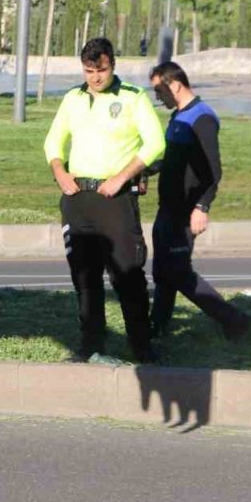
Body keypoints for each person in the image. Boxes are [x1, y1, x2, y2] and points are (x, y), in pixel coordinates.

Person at [45, 37, 165, 364]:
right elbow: (54, 141)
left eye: (101, 70)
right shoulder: (73, 98)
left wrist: (121, 178)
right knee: (84, 276)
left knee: (127, 276)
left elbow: (155, 144)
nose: (95, 77)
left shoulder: (132, 98)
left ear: (113, 64)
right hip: (78, 198)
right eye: (88, 71)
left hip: (115, 200)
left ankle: (142, 347)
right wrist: (60, 171)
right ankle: (91, 346)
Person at [148, 61, 251, 340]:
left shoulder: (202, 118)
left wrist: (202, 206)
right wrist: (149, 169)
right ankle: (157, 326)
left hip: (186, 209)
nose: (157, 96)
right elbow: (173, 159)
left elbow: (213, 170)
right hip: (168, 207)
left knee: (178, 272)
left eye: (159, 90)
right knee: (163, 271)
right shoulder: (179, 116)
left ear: (176, 85)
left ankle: (235, 320)